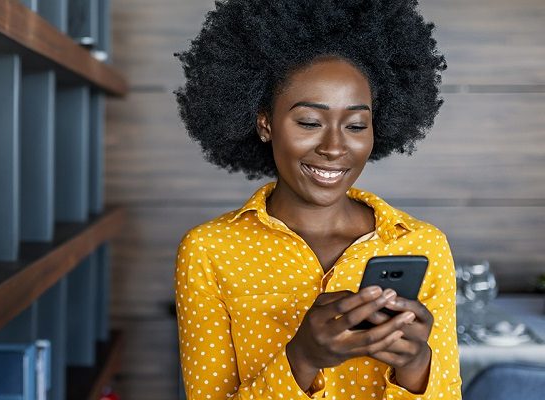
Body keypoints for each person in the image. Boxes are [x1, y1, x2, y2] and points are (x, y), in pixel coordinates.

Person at [174, 0, 461, 398]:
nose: (334, 146)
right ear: (265, 124)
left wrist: (414, 366)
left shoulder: (421, 245)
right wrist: (303, 358)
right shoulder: (209, 250)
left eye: (356, 124)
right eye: (309, 122)